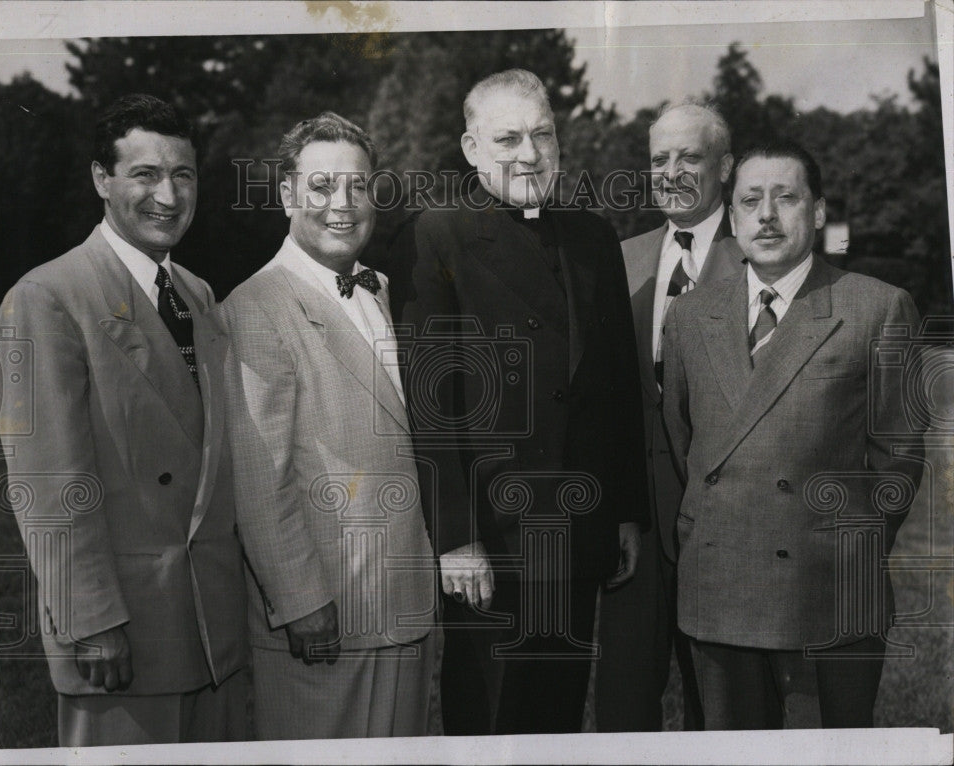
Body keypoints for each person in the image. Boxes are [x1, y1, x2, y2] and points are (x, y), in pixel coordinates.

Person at [389, 69, 649, 735]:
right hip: (492, 540)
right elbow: (432, 400)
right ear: (472, 148)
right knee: (489, 715)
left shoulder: (593, 235)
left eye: (543, 135)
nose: (530, 154)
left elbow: (617, 387)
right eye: (508, 138)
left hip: (581, 525)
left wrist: (624, 512)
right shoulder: (436, 234)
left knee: (558, 713)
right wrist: (454, 538)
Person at [0, 93, 248, 746]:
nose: (168, 195)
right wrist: (91, 620)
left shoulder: (197, 293)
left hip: (211, 633)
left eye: (182, 175)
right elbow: (49, 483)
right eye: (145, 174)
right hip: (123, 635)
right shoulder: (46, 298)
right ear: (101, 180)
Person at [662, 141, 924, 729]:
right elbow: (685, 442)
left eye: (786, 198)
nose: (767, 216)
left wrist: (841, 551)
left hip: (829, 592)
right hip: (719, 588)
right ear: (731, 218)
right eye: (750, 201)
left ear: (820, 210)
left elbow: (900, 459)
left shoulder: (875, 309)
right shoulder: (688, 317)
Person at [221, 112, 436, 740]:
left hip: (403, 606)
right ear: (287, 194)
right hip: (326, 615)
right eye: (321, 186)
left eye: (358, 186)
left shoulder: (382, 290)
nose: (342, 204)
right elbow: (261, 479)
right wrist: (300, 602)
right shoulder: (256, 307)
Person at [596, 100, 742, 731]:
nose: (672, 171)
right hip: (637, 525)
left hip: (728, 522)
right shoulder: (619, 258)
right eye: (660, 158)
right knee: (624, 701)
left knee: (727, 702)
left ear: (726, 167)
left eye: (690, 157)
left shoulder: (759, 259)